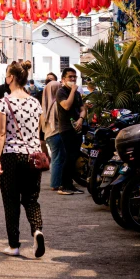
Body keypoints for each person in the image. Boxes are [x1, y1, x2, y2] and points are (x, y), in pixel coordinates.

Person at [0, 60, 46, 259]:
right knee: (31, 198)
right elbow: (38, 131)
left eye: (7, 75)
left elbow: (0, 133)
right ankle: (37, 230)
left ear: (12, 78)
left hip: (10, 156)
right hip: (33, 155)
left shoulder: (4, 102)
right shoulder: (35, 102)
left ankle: (14, 245)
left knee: (11, 200)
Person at [56, 67, 87, 195]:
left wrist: (81, 119)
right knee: (69, 156)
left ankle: (71, 185)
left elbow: (82, 109)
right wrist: (73, 91)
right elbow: (67, 105)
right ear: (63, 79)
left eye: (75, 77)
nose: (73, 79)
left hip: (77, 128)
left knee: (74, 157)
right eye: (70, 77)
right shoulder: (61, 92)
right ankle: (63, 185)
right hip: (66, 129)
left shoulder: (78, 94)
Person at [41, 80, 65, 191]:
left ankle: (56, 182)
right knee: (57, 160)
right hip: (56, 134)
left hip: (48, 135)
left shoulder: (44, 106)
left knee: (56, 159)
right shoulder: (56, 104)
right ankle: (55, 184)